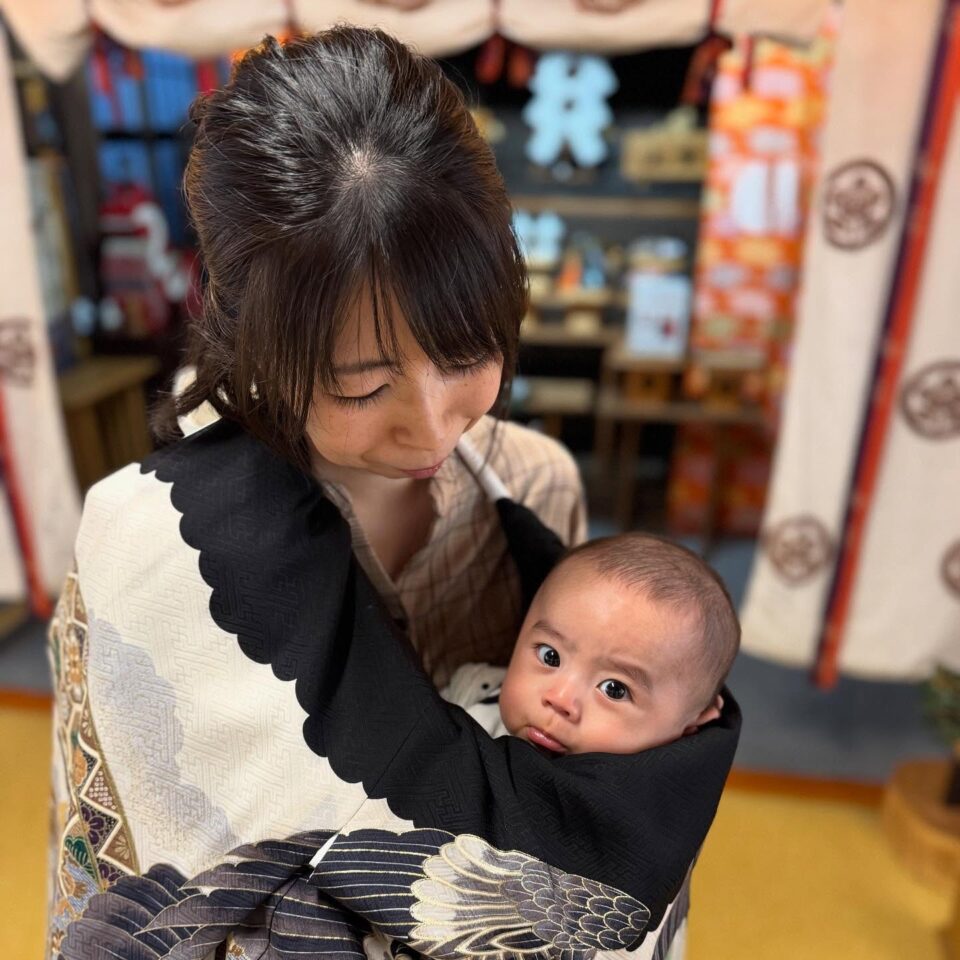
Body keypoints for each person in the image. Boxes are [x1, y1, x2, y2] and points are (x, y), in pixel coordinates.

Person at [46, 27, 740, 960]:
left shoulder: (533, 484)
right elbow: (125, 868)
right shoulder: (147, 539)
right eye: (362, 387)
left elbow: (604, 806)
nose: (431, 426)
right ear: (252, 339)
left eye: (466, 353)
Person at [443, 533, 739, 755]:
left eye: (615, 689)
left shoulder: (646, 811)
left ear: (694, 720)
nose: (559, 699)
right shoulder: (468, 694)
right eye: (550, 656)